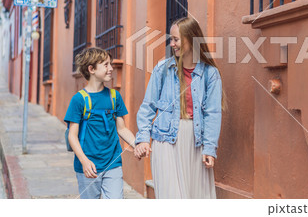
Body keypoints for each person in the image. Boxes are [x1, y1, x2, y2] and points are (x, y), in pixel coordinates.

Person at [134, 17, 224, 198]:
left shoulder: (210, 74)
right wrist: (143, 138)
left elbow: (213, 114)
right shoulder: (162, 69)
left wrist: (209, 148)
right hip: (165, 139)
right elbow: (148, 106)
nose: (171, 43)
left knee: (196, 198)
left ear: (191, 40)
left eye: (176, 39)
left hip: (195, 141)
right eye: (171, 39)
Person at [64, 47, 136, 199]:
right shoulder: (79, 99)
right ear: (91, 69)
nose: (111, 68)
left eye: (110, 64)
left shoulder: (114, 96)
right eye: (106, 65)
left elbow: (121, 129)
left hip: (113, 162)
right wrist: (84, 161)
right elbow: (72, 136)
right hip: (88, 166)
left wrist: (138, 144)